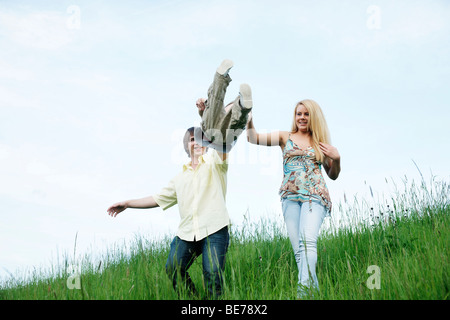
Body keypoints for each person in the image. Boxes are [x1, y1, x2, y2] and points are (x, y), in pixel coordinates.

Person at [107, 60, 253, 299]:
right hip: (187, 233)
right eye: (192, 140)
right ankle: (194, 302)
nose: (196, 142)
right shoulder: (179, 178)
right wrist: (127, 202)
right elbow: (155, 199)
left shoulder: (215, 162)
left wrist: (203, 114)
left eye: (199, 139)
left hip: (215, 229)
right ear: (186, 147)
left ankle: (241, 105)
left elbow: (223, 143)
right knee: (172, 268)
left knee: (213, 274)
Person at [246, 99, 341, 298]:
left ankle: (301, 295)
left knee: (307, 243)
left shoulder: (319, 142)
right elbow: (252, 137)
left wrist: (337, 159)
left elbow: (332, 175)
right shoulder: (284, 137)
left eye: (306, 114)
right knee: (299, 251)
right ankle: (312, 294)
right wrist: (248, 117)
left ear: (312, 117)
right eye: (299, 114)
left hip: (314, 197)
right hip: (290, 197)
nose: (302, 118)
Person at [195, 59, 253, 153]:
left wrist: (203, 107)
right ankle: (242, 107)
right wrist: (203, 106)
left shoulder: (214, 121)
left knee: (215, 100)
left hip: (217, 135)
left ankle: (220, 78)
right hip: (222, 138)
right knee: (216, 103)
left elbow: (210, 111)